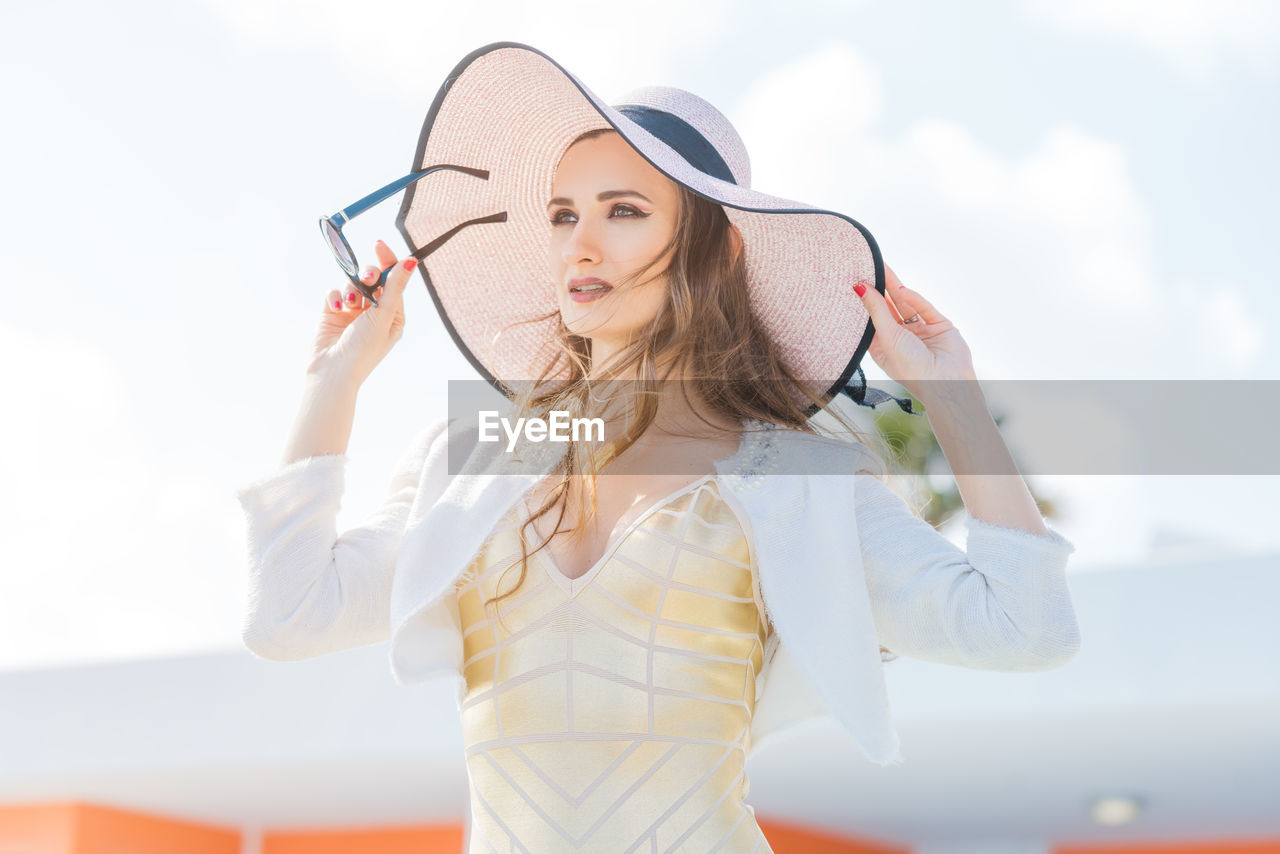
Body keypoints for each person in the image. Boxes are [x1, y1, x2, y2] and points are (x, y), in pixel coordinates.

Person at [236, 42, 1081, 854]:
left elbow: (1026, 627)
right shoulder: (474, 458)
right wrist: (332, 381)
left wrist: (952, 395)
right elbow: (286, 614)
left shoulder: (790, 477)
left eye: (625, 211)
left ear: (720, 248)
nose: (580, 243)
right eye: (564, 213)